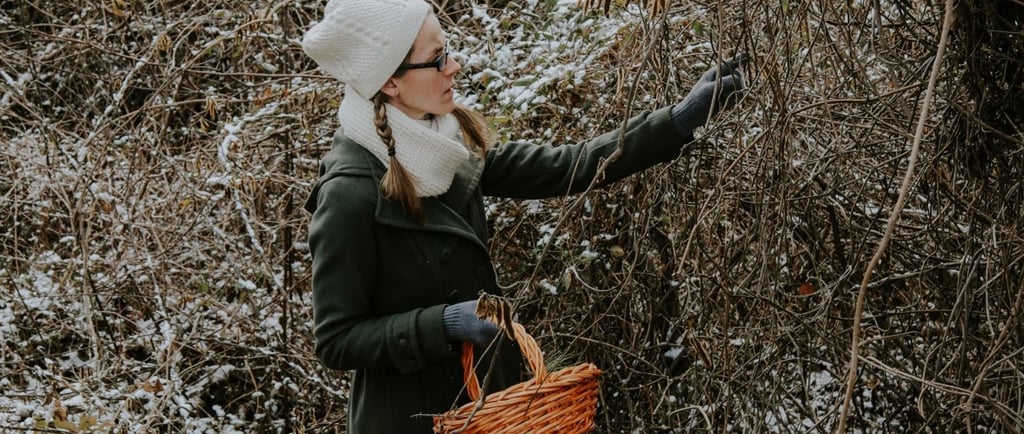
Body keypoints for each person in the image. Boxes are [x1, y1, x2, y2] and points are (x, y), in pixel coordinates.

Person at [300, 0, 744, 431]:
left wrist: (680, 119)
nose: (454, 66)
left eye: (447, 51)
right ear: (390, 83)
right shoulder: (349, 194)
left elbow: (566, 166)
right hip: (410, 422)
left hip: (493, 410)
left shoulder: (446, 144)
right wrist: (444, 323)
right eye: (436, 60)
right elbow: (337, 340)